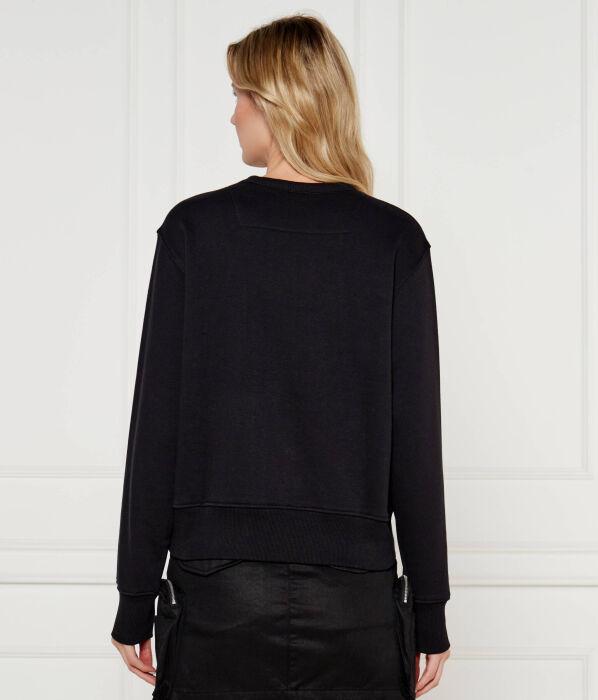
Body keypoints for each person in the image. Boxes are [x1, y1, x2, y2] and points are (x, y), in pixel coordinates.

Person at [110, 13, 451, 700]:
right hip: (354, 605)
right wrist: (430, 610)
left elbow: (157, 431)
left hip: (216, 599)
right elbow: (416, 442)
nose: (232, 114)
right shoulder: (392, 241)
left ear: (277, 102)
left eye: (241, 94)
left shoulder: (194, 232)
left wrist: (135, 596)